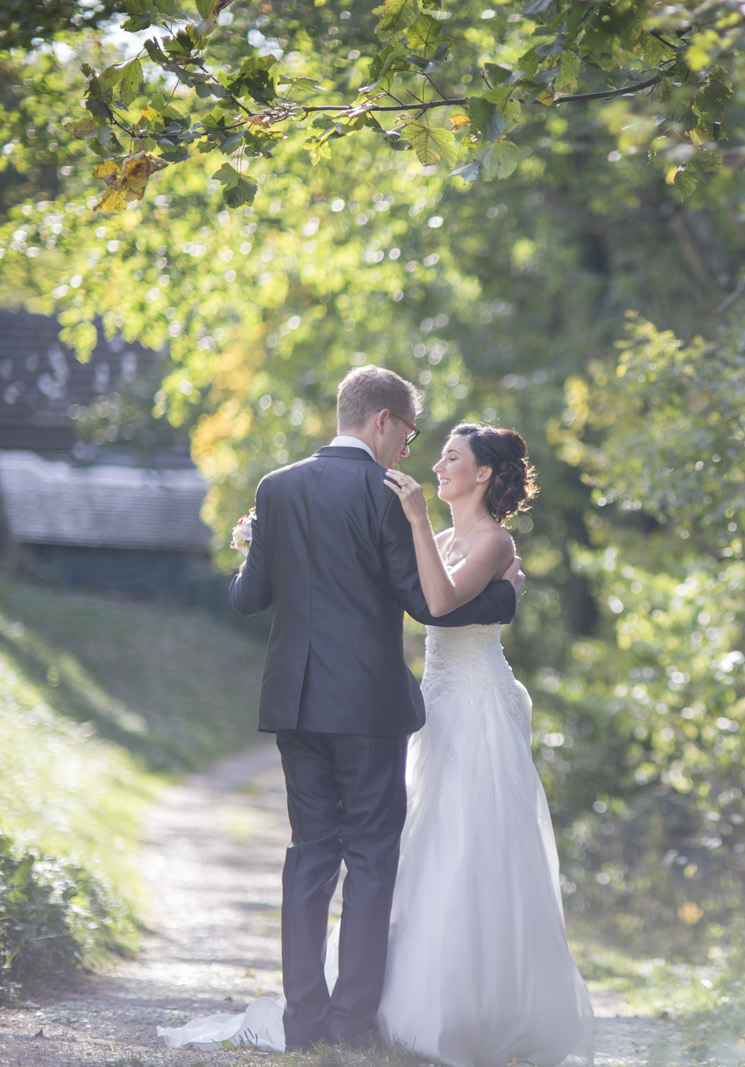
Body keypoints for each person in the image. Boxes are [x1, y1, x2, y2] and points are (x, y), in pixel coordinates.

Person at [173, 366, 525, 1051]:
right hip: (367, 705)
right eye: (410, 433)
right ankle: (351, 1022)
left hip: (295, 702)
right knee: (370, 856)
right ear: (383, 420)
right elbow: (428, 601)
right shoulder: (387, 495)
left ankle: (303, 1021)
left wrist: (253, 546)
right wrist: (503, 600)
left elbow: (249, 599)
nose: (409, 451)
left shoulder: (276, 487)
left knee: (309, 854)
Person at [374, 422, 593, 1066]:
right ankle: (422, 992)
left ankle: (483, 1007)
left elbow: (437, 603)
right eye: (439, 456)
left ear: (483, 475)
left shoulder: (495, 540)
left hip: (478, 705)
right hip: (437, 703)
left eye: (450, 458)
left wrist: (414, 516)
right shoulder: (449, 538)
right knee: (431, 838)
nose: (437, 467)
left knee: (477, 839)